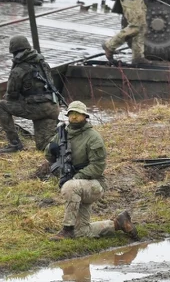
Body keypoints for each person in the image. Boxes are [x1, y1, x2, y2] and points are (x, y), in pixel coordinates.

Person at [45, 101, 138, 240]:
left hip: (94, 185)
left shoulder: (93, 137)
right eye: (71, 114)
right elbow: (49, 157)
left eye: (78, 114)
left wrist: (76, 177)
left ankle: (67, 229)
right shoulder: (62, 134)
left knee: (70, 186)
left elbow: (98, 167)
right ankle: (120, 223)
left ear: (85, 116)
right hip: (77, 187)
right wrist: (51, 149)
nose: (74, 117)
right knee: (82, 232)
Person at [0, 35, 60, 154]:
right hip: (52, 108)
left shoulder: (18, 70)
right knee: (43, 146)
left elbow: (11, 95)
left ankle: (15, 144)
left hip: (36, 109)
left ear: (13, 52)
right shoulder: (43, 63)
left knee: (1, 106)